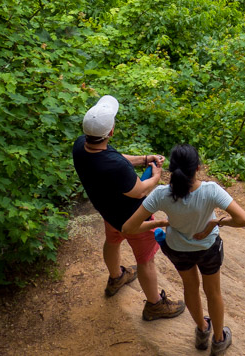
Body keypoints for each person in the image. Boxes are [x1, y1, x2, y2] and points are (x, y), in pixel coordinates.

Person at [123, 144, 245, 354]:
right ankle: (219, 341)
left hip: (178, 249)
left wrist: (160, 224)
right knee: (213, 292)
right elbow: (244, 220)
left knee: (190, 287)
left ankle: (202, 330)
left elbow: (129, 227)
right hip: (208, 248)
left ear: (171, 169)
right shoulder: (211, 190)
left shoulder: (161, 194)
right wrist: (215, 223)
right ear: (198, 167)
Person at [71, 95, 185, 321]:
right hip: (134, 219)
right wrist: (157, 175)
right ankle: (154, 305)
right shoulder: (115, 168)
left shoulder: (80, 147)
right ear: (110, 132)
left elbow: (115, 157)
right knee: (146, 261)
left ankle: (116, 277)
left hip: (108, 212)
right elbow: (140, 190)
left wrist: (143, 159)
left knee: (112, 241)